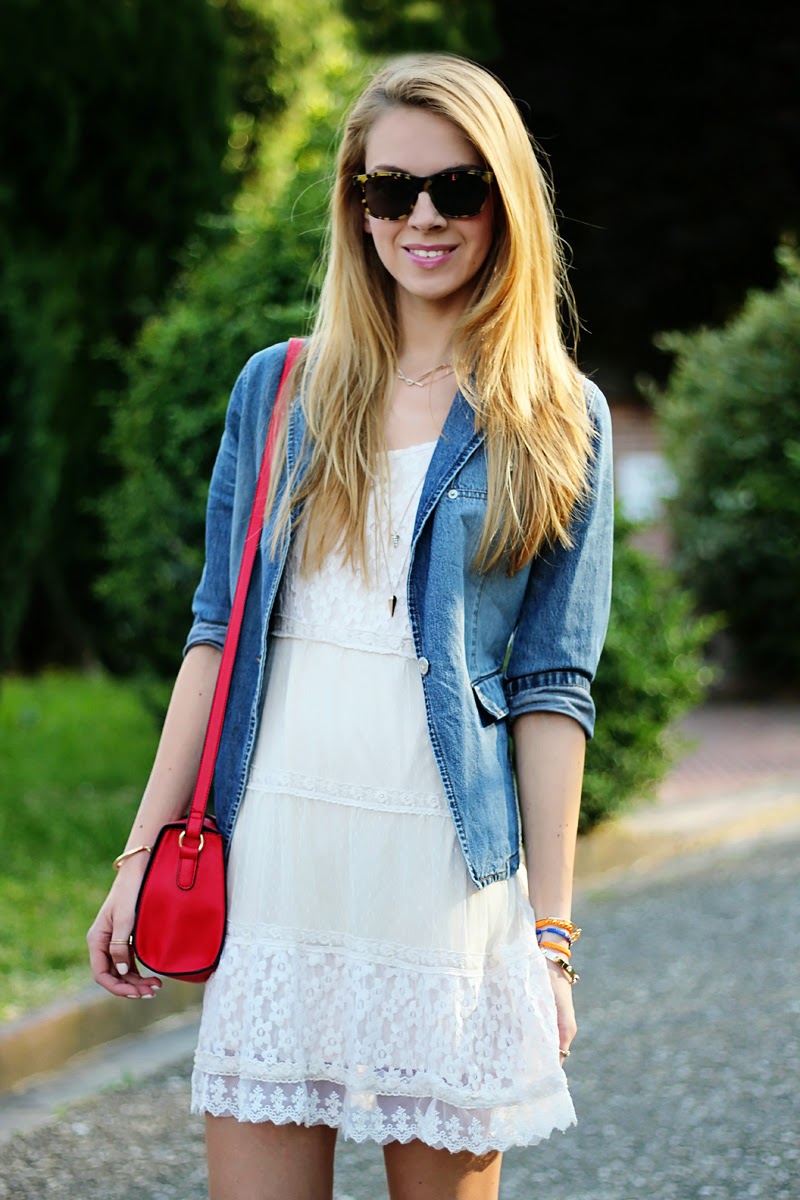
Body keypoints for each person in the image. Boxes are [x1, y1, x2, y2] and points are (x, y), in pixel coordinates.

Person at [88, 52, 613, 1200]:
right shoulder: (278, 388)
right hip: (277, 867)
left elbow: (551, 688)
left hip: (439, 884)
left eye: (455, 190)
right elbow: (216, 636)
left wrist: (551, 941)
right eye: (389, 190)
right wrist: (140, 854)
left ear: (503, 203)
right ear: (354, 203)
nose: (420, 219)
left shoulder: (557, 417)